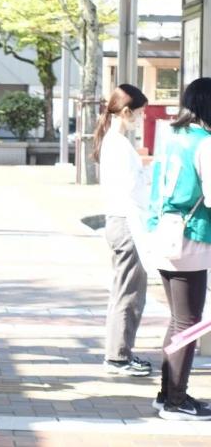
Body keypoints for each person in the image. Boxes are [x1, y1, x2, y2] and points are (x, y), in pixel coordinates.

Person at [146, 77, 211, 420]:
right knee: (190, 322)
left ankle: (168, 394)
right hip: (191, 238)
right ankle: (175, 400)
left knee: (179, 320)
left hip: (165, 232)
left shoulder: (172, 137)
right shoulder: (205, 142)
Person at [92, 84, 153, 377]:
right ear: (127, 112)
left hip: (120, 222)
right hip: (127, 223)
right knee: (129, 293)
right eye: (140, 113)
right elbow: (132, 191)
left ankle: (119, 353)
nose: (141, 119)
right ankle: (118, 356)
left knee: (125, 290)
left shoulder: (112, 141)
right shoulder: (117, 143)